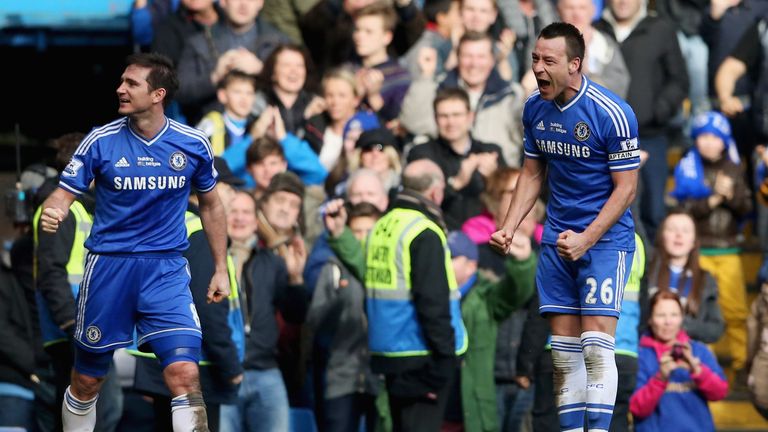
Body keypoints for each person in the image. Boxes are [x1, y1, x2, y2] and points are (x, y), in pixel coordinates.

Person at [39, 52, 229, 432]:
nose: (120, 89)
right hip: (110, 268)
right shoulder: (100, 140)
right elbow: (62, 193)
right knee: (88, 380)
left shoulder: (192, 144)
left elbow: (211, 205)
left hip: (166, 270)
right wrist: (53, 209)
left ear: (158, 94)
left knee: (184, 374)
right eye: (121, 81)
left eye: (131, 84)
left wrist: (221, 268)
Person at [491, 22, 640, 431]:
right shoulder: (534, 108)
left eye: (548, 60)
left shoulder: (613, 113)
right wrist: (510, 225)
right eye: (535, 58)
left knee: (595, 347)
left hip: (605, 241)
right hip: (557, 239)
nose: (538, 67)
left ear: (575, 64)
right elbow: (532, 173)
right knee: (563, 351)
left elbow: (626, 190)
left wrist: (587, 239)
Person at [327, 159, 467, 431]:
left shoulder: (383, 226)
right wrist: (444, 362)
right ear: (436, 192)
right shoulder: (423, 230)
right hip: (422, 356)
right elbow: (432, 303)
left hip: (390, 356)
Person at [130, 158, 245, 432]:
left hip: (158, 358)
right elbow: (208, 306)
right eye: (230, 189)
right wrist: (230, 366)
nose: (234, 197)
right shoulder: (201, 231)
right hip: (197, 363)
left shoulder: (168, 222)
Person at [669, 111, 752, 380]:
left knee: (737, 311)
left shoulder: (735, 167)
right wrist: (714, 198)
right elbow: (684, 212)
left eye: (714, 137)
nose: (707, 142)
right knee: (699, 310)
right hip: (700, 252)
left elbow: (746, 209)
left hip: (728, 251)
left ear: (724, 141)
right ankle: (703, 364)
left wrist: (731, 196)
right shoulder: (688, 167)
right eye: (702, 135)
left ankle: (741, 365)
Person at [220, 190, 309, 432]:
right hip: (222, 372)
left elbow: (296, 314)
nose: (239, 218)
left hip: (266, 371)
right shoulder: (210, 259)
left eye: (246, 212)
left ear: (256, 219)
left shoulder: (271, 262)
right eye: (233, 211)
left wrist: (295, 278)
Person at [307, 201, 384, 432]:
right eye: (357, 231)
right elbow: (315, 321)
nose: (363, 238)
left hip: (379, 376)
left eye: (369, 231)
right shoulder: (333, 268)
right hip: (341, 374)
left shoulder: (390, 270)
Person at [407, 87, 505, 229]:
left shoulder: (491, 151)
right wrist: (457, 182)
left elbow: (510, 201)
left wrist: (495, 179)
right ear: (435, 119)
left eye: (457, 115)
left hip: (486, 235)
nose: (451, 122)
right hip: (441, 231)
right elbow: (418, 202)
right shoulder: (422, 155)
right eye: (444, 116)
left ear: (470, 117)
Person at [629, 291, 729, 431]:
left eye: (674, 315)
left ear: (682, 318)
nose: (668, 322)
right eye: (661, 315)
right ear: (650, 319)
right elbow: (636, 408)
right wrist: (660, 378)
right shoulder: (641, 355)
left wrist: (697, 370)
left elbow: (720, 393)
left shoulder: (698, 351)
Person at [643, 210, 725, 344]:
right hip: (648, 351)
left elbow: (716, 328)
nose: (679, 235)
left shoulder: (705, 279)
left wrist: (680, 325)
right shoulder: (648, 271)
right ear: (662, 236)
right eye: (672, 229)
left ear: (694, 241)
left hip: (688, 352)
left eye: (686, 231)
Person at [196, 69, 257, 156]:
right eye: (237, 92)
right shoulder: (211, 124)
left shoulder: (259, 125)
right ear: (222, 95)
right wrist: (250, 139)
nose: (244, 98)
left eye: (249, 93)